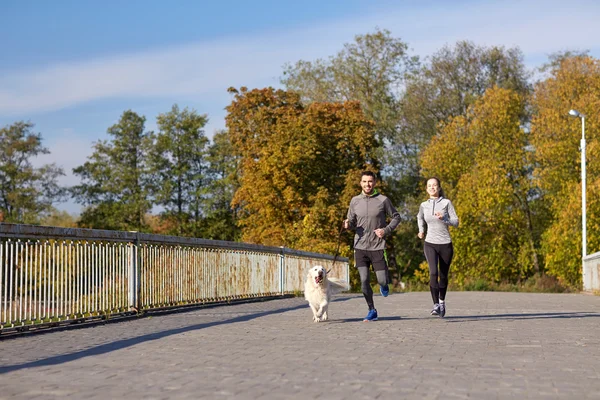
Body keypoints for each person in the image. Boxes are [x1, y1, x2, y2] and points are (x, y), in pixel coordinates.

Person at [343, 171, 401, 322]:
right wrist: (348, 225)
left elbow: (396, 217)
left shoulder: (383, 200)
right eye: (364, 181)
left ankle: (384, 285)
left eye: (370, 181)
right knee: (364, 280)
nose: (367, 184)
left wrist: (385, 230)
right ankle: (372, 310)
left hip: (377, 246)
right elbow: (351, 222)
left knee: (382, 280)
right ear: (360, 183)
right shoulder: (355, 201)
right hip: (360, 246)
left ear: (375, 183)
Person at [417, 177, 459, 318]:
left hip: (445, 244)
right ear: (426, 188)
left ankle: (441, 302)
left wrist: (444, 219)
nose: (432, 188)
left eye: (434, 185)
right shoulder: (424, 205)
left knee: (443, 276)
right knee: (433, 272)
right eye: (429, 186)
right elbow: (419, 217)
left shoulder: (447, 203)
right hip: (430, 243)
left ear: (439, 188)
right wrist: (421, 230)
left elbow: (456, 221)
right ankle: (435, 304)